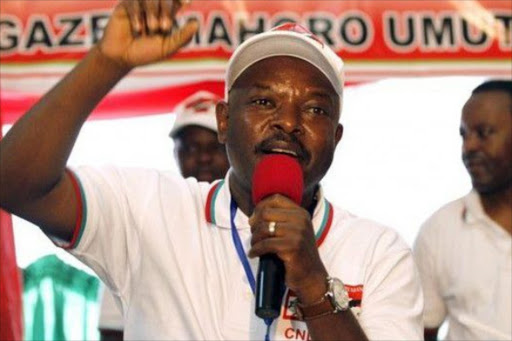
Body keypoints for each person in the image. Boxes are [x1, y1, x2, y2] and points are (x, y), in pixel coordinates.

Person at [0, 1, 423, 339]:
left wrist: (313, 284)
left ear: (336, 136)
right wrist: (107, 63)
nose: (289, 122)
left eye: (314, 109)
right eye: (263, 102)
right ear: (223, 121)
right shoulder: (150, 210)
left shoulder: (380, 252)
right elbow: (15, 184)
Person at [97, 90, 229, 340]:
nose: (203, 158)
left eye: (215, 147)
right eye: (190, 147)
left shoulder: (256, 223)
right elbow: (112, 330)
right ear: (174, 153)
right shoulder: (142, 221)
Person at [414, 80, 512, 341]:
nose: (468, 148)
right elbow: (421, 331)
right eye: (464, 135)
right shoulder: (439, 230)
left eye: (484, 133)